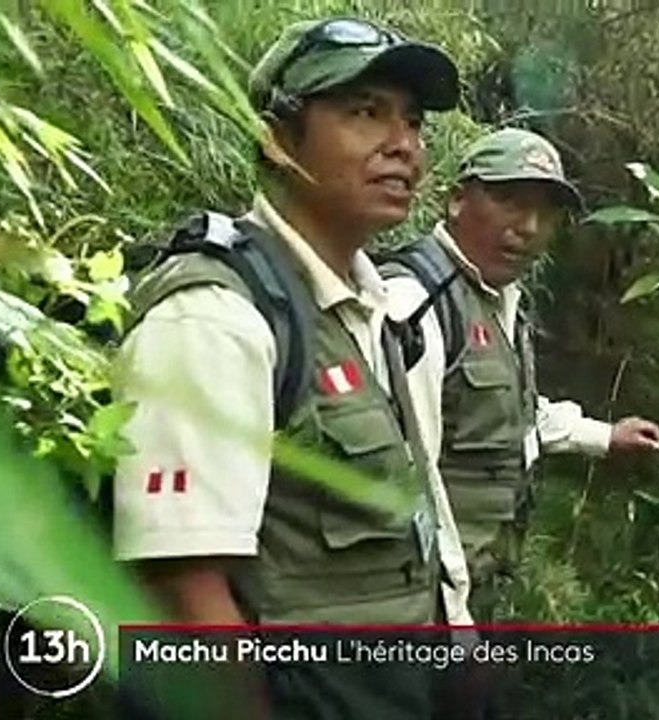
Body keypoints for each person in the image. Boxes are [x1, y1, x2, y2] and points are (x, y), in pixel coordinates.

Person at [110, 17, 470, 719]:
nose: (405, 146)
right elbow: (183, 593)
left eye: (414, 121)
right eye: (366, 113)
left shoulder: (368, 310)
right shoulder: (216, 317)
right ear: (278, 138)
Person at [381, 127, 659, 626]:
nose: (529, 227)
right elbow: (408, 482)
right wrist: (455, 629)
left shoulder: (499, 299)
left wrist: (603, 436)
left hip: (476, 590)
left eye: (546, 212)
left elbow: (508, 413)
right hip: (421, 609)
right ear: (456, 200)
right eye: (510, 201)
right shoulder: (416, 303)